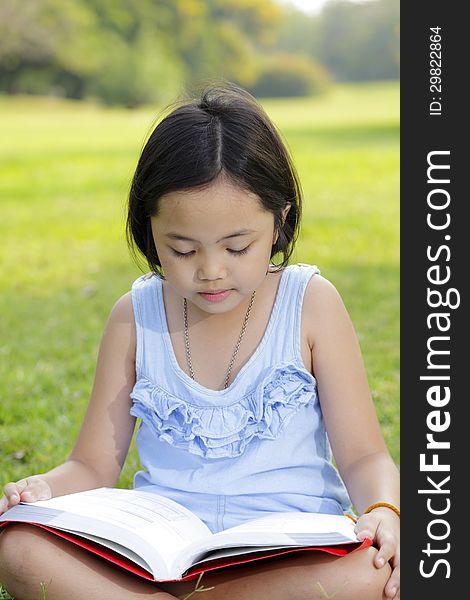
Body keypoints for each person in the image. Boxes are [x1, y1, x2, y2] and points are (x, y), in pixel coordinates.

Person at [0, 83, 400, 600]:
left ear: (279, 221)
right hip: (161, 545)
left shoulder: (311, 304)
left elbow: (365, 457)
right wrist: (41, 490)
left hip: (283, 552)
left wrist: (384, 512)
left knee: (366, 573)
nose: (211, 272)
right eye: (183, 249)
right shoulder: (135, 316)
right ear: (150, 230)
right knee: (19, 548)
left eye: (237, 247)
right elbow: (94, 465)